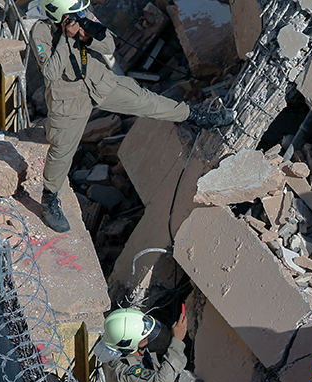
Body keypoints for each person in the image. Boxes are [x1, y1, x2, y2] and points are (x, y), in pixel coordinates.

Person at [31, 0, 234, 233]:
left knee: (148, 100)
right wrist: (67, 38)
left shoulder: (82, 16)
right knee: (62, 149)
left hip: (100, 83)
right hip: (67, 98)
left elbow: (108, 46)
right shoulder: (41, 30)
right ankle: (49, 201)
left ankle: (196, 116)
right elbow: (51, 73)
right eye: (74, 12)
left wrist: (87, 36)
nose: (80, 14)